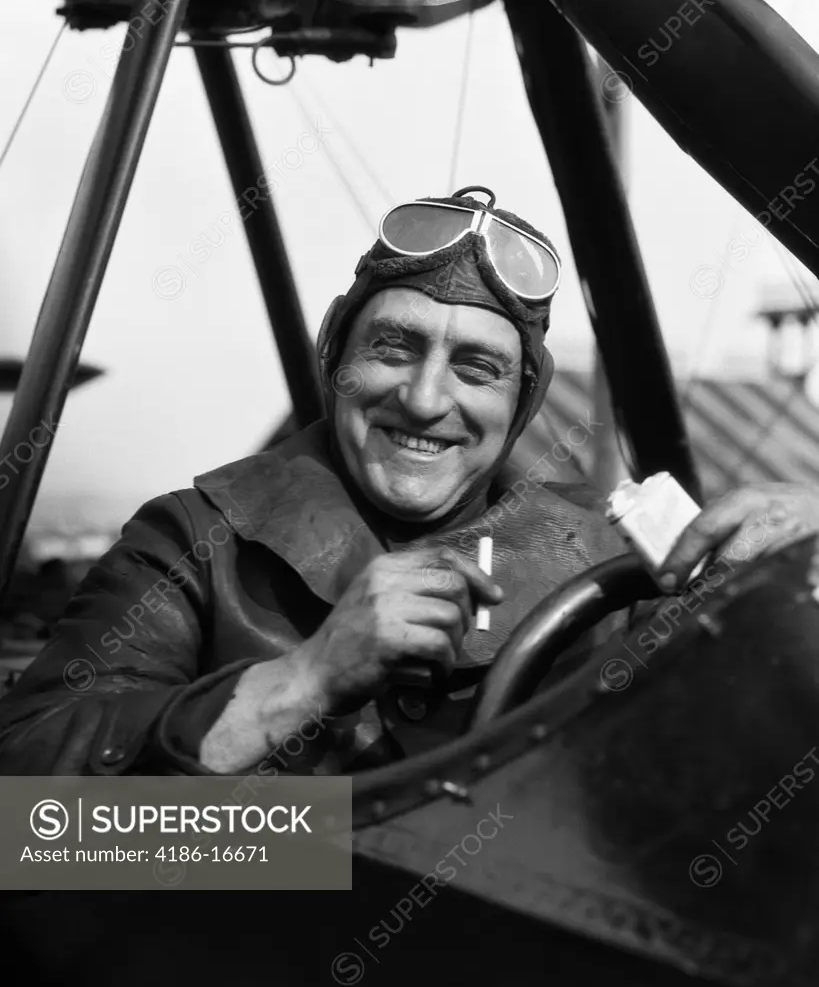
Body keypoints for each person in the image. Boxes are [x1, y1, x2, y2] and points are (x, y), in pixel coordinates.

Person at [0, 185, 815, 777]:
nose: (426, 400)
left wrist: (800, 573)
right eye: (393, 348)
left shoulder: (614, 559)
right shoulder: (195, 540)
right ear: (336, 364)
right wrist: (302, 681)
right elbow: (36, 835)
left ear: (518, 404)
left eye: (476, 369)